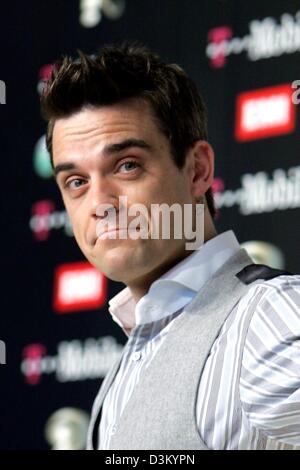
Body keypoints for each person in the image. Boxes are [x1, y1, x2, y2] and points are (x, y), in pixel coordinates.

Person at [40, 42, 300, 450]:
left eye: (127, 165)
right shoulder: (133, 357)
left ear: (197, 170)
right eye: (77, 182)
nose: (99, 204)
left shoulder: (270, 320)